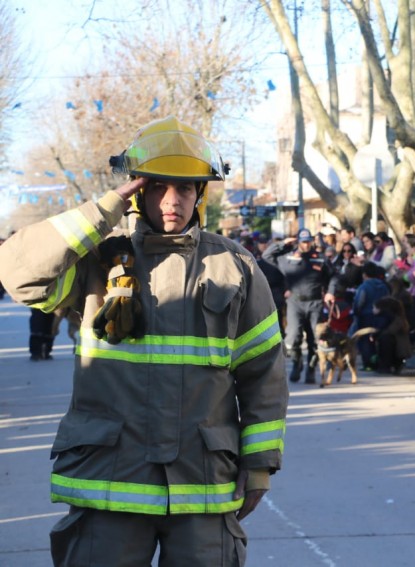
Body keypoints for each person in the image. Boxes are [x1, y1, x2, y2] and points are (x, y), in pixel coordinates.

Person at [0, 116, 287, 565]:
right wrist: (106, 208)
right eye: (157, 187)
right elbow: (18, 273)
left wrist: (259, 465)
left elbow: (263, 372)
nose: (173, 200)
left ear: (201, 194)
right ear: (137, 190)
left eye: (186, 188)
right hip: (109, 479)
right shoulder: (97, 257)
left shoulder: (235, 266)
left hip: (202, 484)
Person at [263, 227, 333, 384]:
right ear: (298, 242)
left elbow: (333, 276)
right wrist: (282, 244)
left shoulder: (320, 259)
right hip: (295, 302)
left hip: (315, 302)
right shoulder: (288, 258)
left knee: (315, 338)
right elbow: (266, 256)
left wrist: (330, 292)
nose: (306, 245)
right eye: (303, 242)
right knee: (293, 336)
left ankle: (311, 368)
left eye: (308, 242)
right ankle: (297, 363)